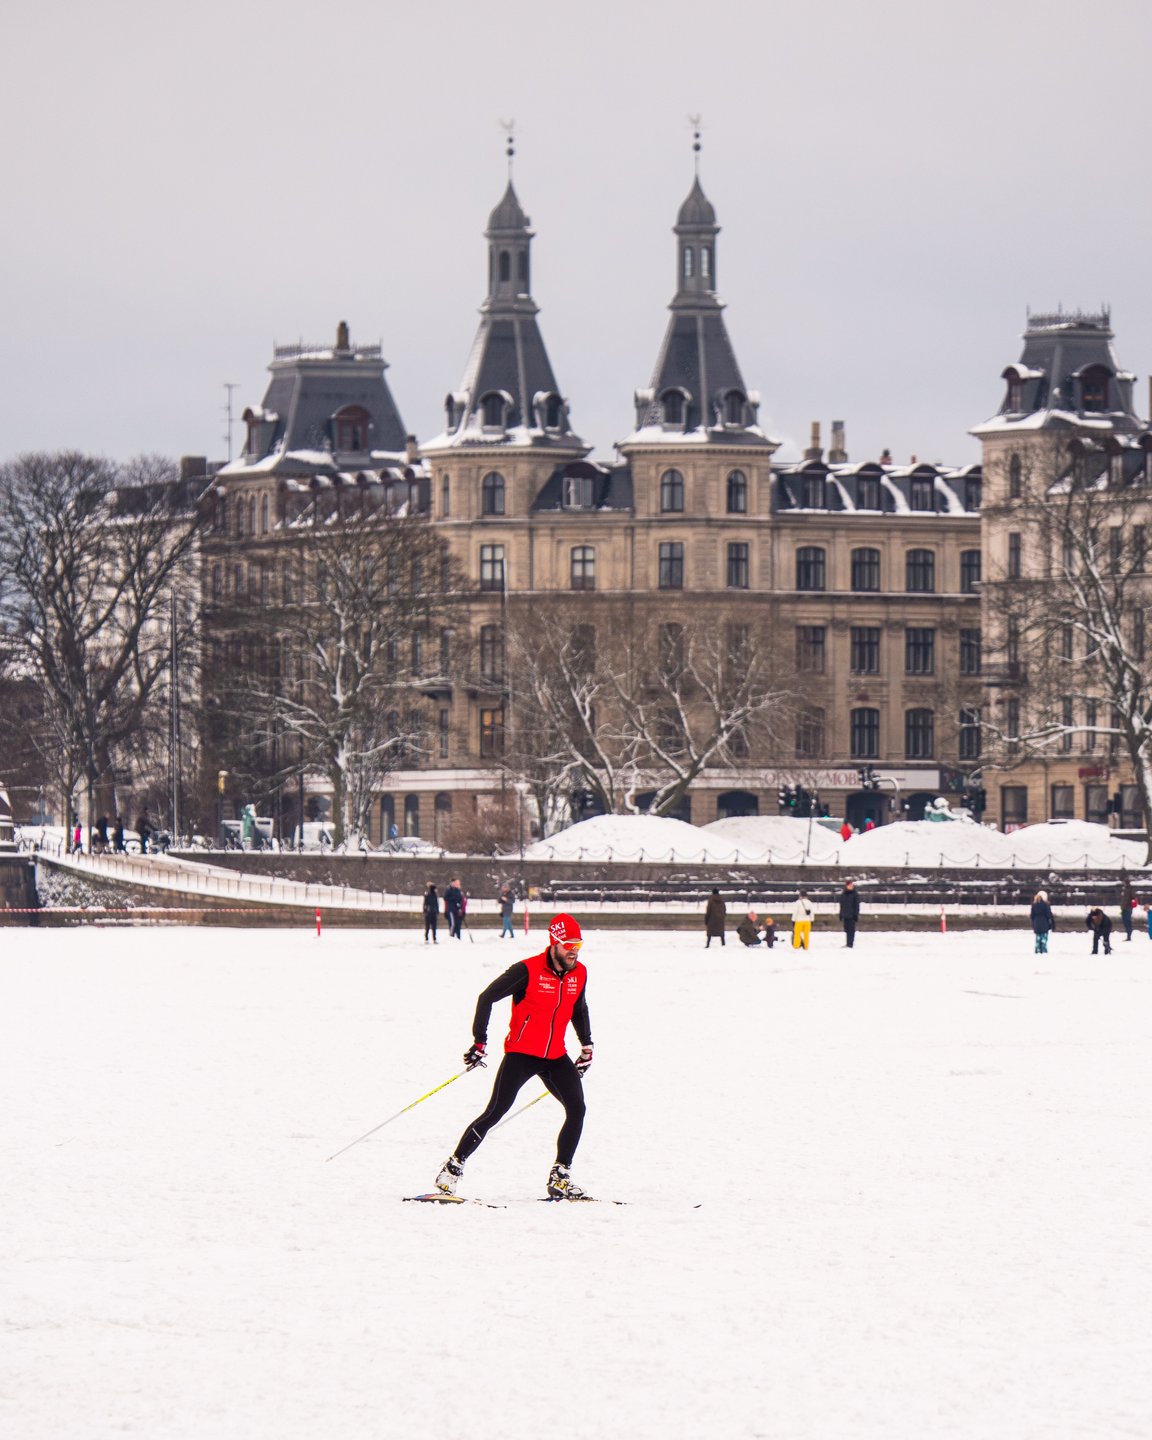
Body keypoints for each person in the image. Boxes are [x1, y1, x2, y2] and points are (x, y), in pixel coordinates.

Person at [434, 913, 593, 1200]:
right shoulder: (527, 970)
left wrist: (586, 1044)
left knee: (577, 1108)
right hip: (522, 1054)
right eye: (569, 945)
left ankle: (560, 1176)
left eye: (578, 945)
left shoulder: (579, 973)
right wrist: (479, 1041)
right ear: (554, 943)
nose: (574, 951)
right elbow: (486, 997)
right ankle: (452, 1168)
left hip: (555, 1055)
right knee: (495, 1112)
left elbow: (578, 1008)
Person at [1030, 890, 1056, 955]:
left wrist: (1033, 924)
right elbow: (1048, 915)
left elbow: (1032, 916)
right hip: (1044, 924)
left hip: (1036, 924)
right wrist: (1052, 924)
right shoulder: (1046, 904)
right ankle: (1043, 951)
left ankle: (1037, 950)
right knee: (1044, 939)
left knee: (1038, 939)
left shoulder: (1034, 904)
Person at [838, 879, 861, 948]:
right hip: (845, 915)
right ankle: (848, 943)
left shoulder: (855, 894)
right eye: (849, 885)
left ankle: (850, 944)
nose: (850, 886)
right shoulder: (843, 894)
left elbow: (857, 905)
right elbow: (842, 905)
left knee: (851, 930)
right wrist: (841, 914)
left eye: (851, 885)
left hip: (852, 915)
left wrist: (856, 915)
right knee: (847, 929)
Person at [1119, 873, 1135, 941]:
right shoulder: (1125, 889)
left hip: (1127, 908)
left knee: (1127, 921)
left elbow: (1132, 898)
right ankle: (1129, 934)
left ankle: (1129, 935)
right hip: (1125, 908)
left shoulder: (1129, 889)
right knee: (1126, 921)